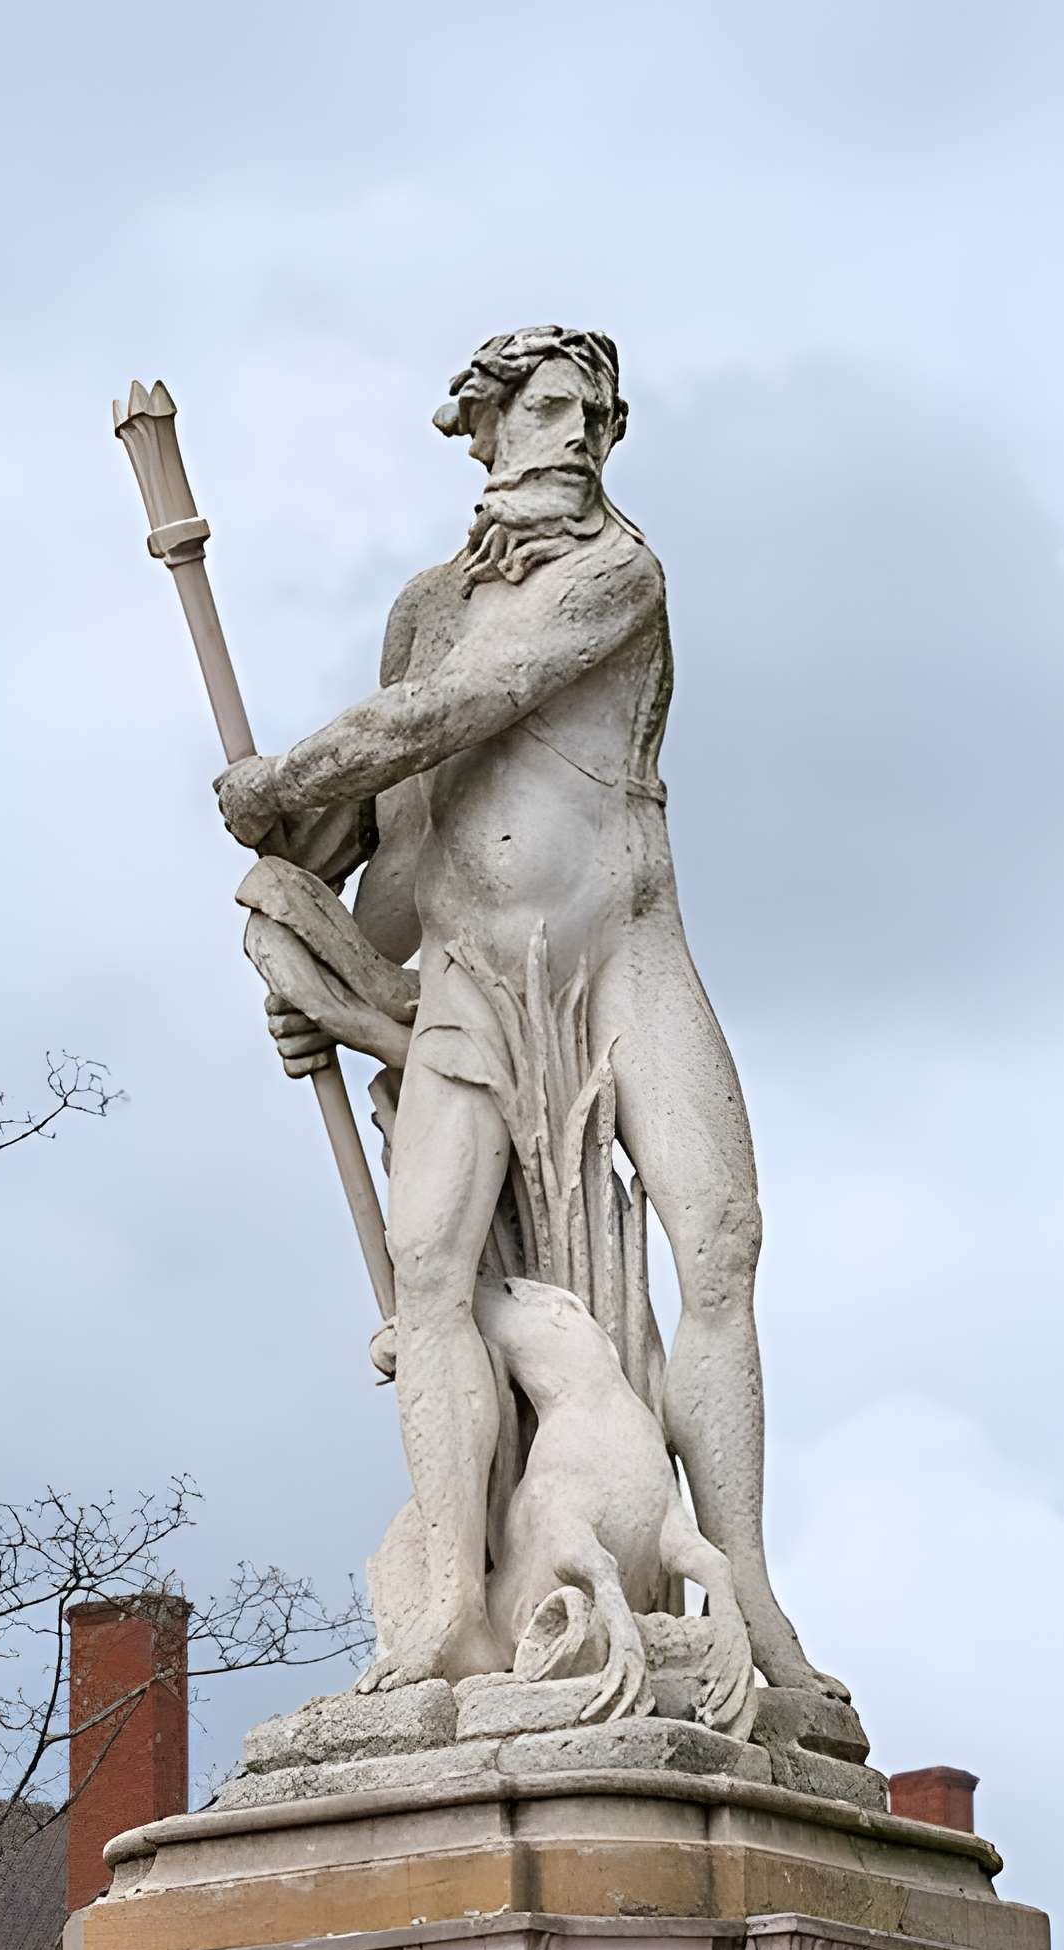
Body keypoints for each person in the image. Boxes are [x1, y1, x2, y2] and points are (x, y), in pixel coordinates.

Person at [217, 327, 832, 1694]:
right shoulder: (426, 606)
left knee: (720, 1244)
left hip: (623, 956)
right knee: (428, 1268)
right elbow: (402, 837)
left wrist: (281, 773)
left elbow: (464, 708)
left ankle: (750, 1592)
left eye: (601, 418)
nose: (582, 437)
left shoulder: (620, 574)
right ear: (486, 427)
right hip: (475, 982)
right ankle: (448, 1599)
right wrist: (327, 967)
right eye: (553, 409)